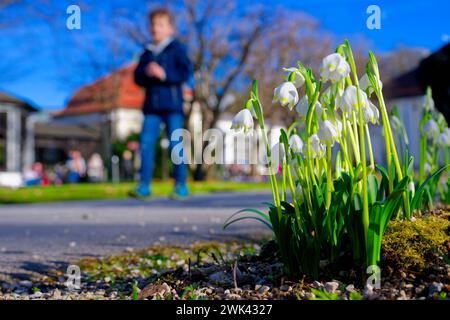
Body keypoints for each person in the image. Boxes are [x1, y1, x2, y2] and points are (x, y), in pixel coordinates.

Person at [130, 8, 192, 200]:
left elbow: (185, 73)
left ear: (170, 29)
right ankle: (144, 185)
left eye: (161, 24)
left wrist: (164, 74)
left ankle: (181, 185)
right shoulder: (147, 53)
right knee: (146, 144)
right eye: (153, 25)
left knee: (176, 145)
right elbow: (137, 78)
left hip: (173, 106)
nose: (156, 28)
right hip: (151, 108)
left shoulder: (177, 49)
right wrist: (145, 73)